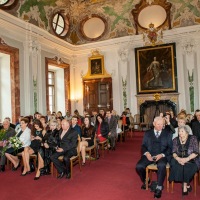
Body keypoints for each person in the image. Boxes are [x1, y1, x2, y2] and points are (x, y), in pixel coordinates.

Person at [136, 116, 172, 199]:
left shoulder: (168, 133)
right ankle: (146, 180)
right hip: (149, 154)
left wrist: (162, 155)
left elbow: (170, 148)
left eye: (162, 124)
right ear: (154, 124)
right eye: (158, 124)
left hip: (162, 155)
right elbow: (143, 146)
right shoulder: (147, 133)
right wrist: (147, 153)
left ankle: (159, 187)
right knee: (139, 166)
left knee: (162, 165)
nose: (160, 126)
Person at [169, 125, 200, 195]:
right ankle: (187, 184)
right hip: (178, 158)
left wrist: (186, 159)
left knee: (187, 167)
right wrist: (178, 159)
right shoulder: (175, 139)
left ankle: (185, 185)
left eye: (182, 131)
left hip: (191, 159)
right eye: (179, 131)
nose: (180, 133)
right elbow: (173, 152)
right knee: (175, 164)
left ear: (187, 132)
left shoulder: (193, 138)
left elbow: (196, 152)